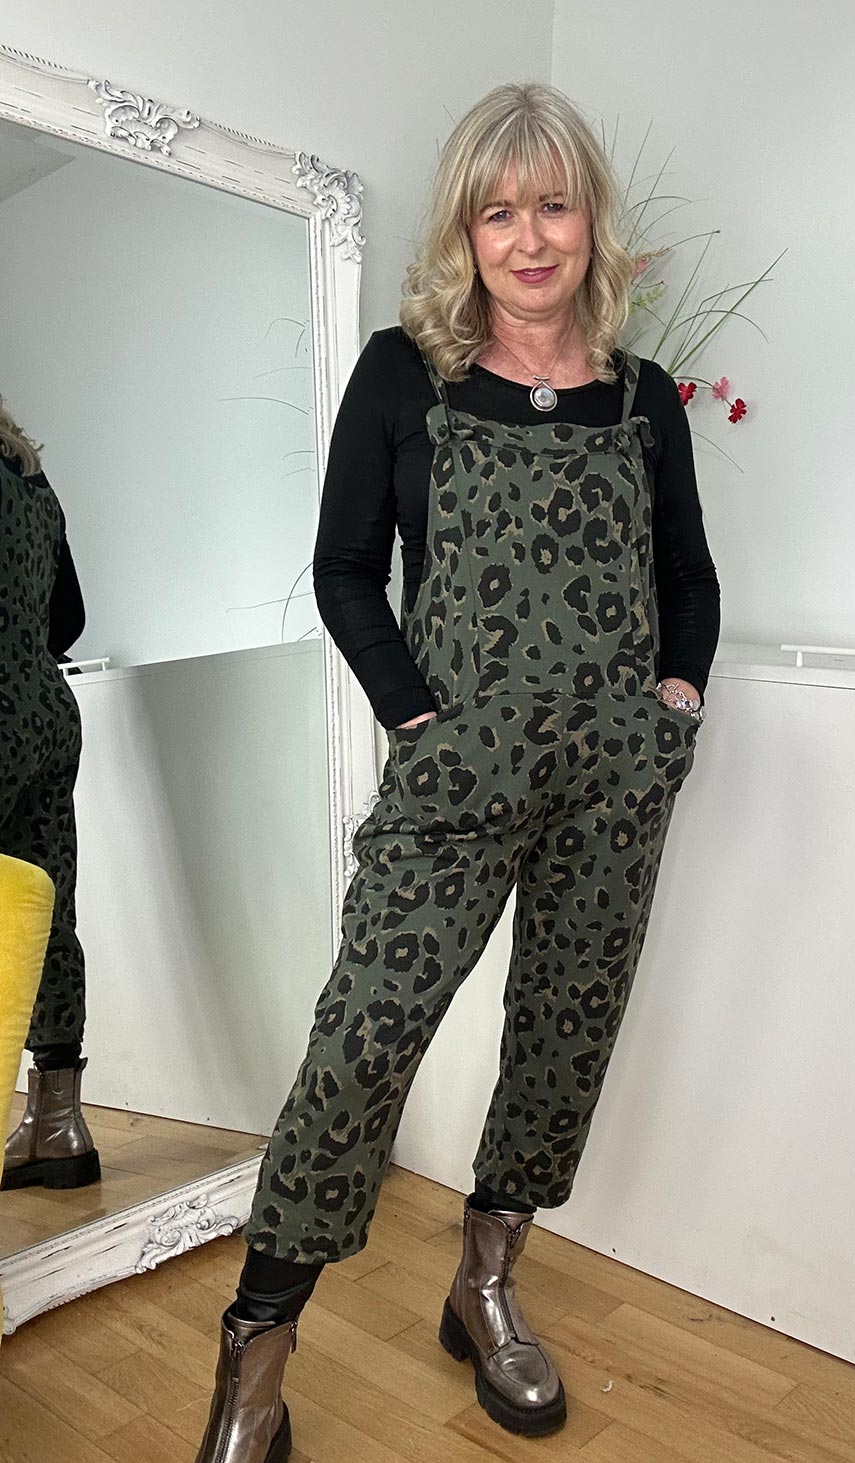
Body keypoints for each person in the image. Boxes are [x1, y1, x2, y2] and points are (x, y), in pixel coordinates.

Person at [194, 80, 721, 1462]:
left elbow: (688, 577)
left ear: (590, 220)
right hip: (456, 776)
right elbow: (344, 568)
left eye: (553, 205)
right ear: (466, 231)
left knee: (565, 1033)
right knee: (363, 1040)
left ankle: (485, 1280)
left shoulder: (644, 399)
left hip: (613, 784)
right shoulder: (405, 372)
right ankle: (258, 1347)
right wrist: (417, 715)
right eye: (498, 212)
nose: (529, 238)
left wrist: (672, 707)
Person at [0, 396, 98, 1192]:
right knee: (46, 916)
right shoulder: (31, 477)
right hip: (44, 713)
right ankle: (57, 1123)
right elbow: (70, 616)